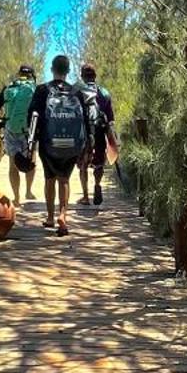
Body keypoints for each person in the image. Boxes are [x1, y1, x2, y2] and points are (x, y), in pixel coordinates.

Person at [24, 53, 89, 236]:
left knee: (49, 178)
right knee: (65, 179)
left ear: (52, 70)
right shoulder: (77, 92)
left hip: (48, 142)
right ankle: (63, 215)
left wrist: (31, 141)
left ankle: (51, 217)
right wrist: (86, 145)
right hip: (72, 144)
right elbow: (85, 119)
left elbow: (32, 116)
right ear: (68, 71)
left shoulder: (42, 90)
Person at [0, 64, 38, 204]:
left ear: (19, 73)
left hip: (11, 129)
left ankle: (16, 198)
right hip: (29, 131)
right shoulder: (34, 88)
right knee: (31, 161)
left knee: (12, 165)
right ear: (31, 75)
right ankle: (28, 191)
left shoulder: (9, 87)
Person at [75, 61, 117, 207]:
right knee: (98, 164)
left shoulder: (78, 92)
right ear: (95, 76)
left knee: (83, 166)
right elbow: (110, 119)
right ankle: (97, 184)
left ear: (82, 76)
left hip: (83, 133)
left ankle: (85, 196)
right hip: (99, 132)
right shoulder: (104, 93)